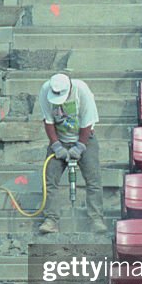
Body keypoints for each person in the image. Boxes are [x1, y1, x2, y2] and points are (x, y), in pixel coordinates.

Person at [37, 72, 106, 234]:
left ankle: (96, 219)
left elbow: (87, 123)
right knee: (49, 180)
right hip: (59, 139)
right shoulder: (46, 90)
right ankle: (51, 220)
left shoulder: (82, 90)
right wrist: (56, 145)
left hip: (85, 138)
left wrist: (80, 147)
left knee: (93, 179)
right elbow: (48, 120)